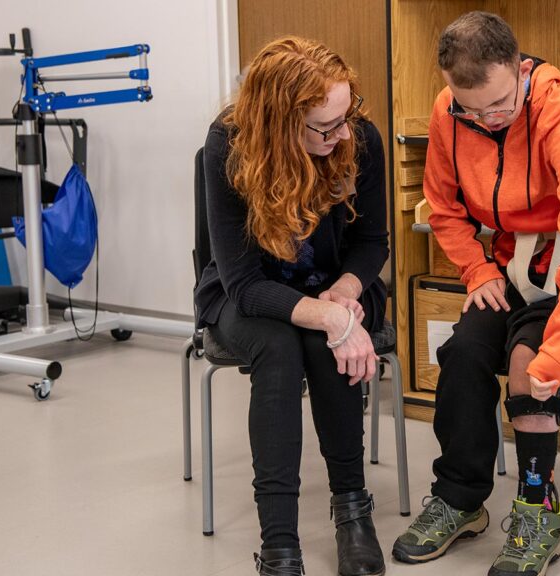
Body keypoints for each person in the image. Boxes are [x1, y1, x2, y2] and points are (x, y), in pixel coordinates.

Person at [391, 12, 560, 576]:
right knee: (461, 353)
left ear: (520, 68)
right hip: (514, 266)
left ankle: (537, 508)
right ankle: (460, 498)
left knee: (529, 361)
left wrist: (558, 346)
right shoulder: (446, 111)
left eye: (500, 106)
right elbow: (445, 209)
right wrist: (477, 272)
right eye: (470, 109)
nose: (487, 120)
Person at [195, 36, 388, 576]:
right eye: (324, 127)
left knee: (327, 348)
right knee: (280, 347)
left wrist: (345, 297)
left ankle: (353, 511)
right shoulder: (229, 143)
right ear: (280, 122)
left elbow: (373, 243)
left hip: (335, 282)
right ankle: (279, 543)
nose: (343, 133)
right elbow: (243, 284)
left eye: (344, 117)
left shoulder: (358, 136)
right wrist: (331, 319)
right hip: (248, 292)